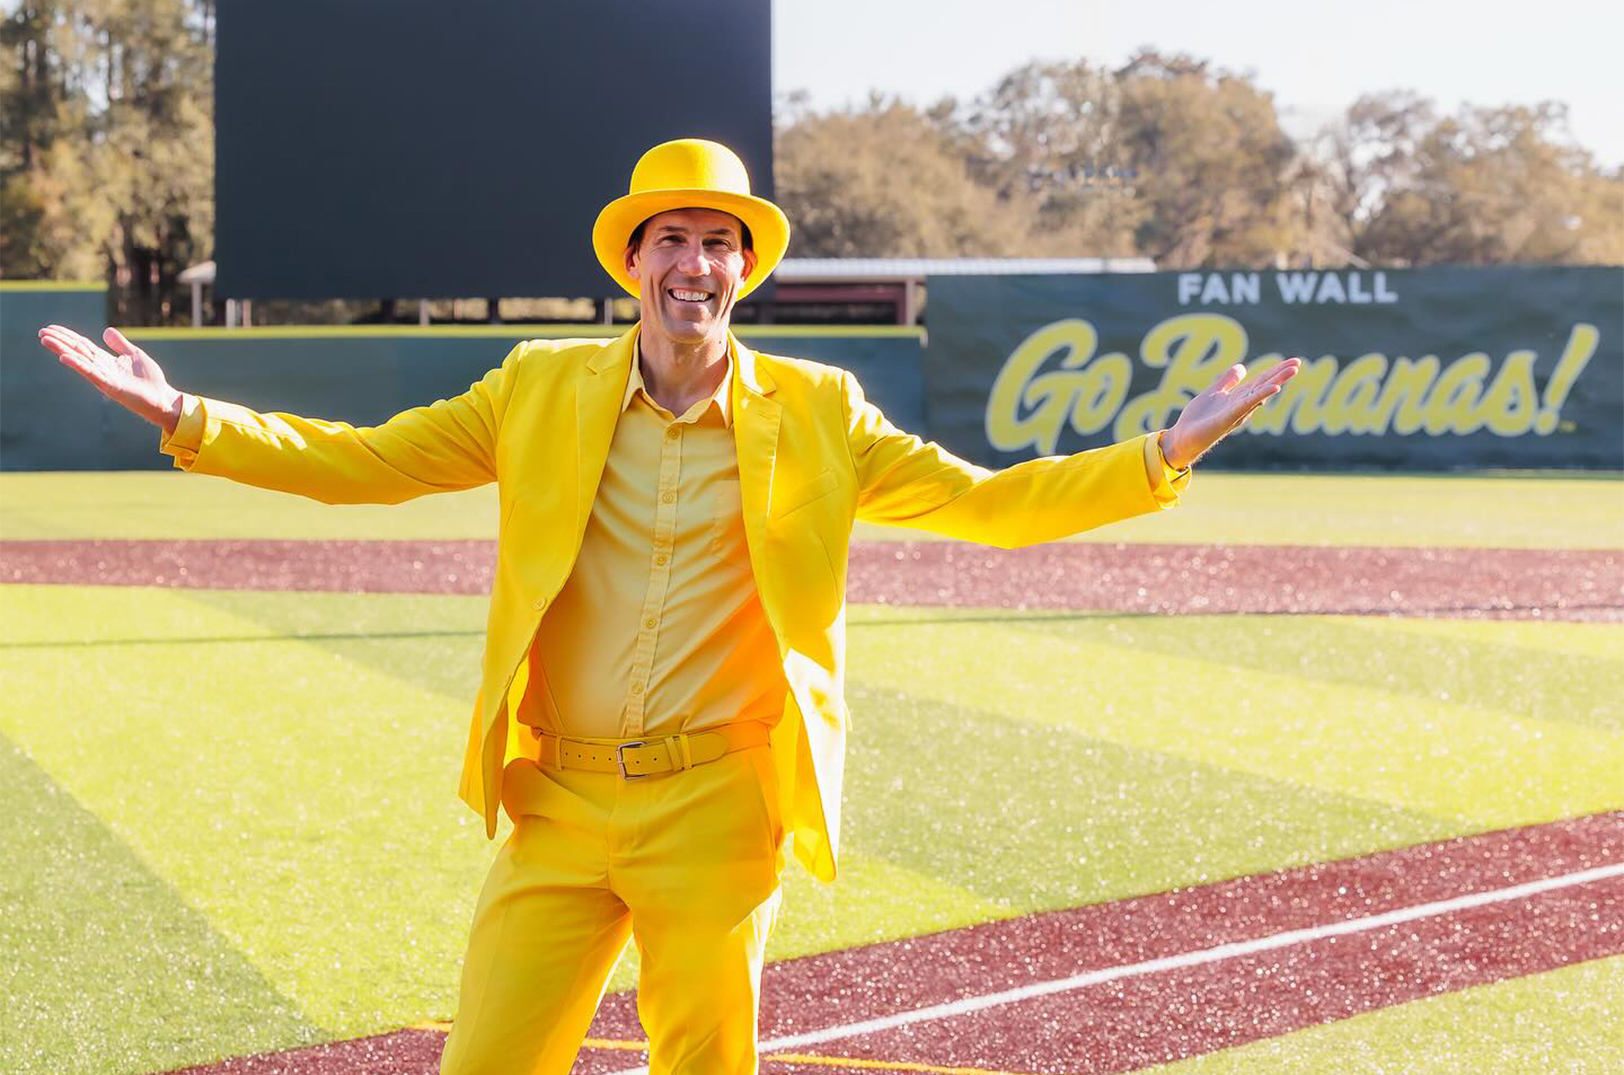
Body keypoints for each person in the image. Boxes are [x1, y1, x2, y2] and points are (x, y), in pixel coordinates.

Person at [37, 138, 1300, 1075]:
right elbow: (364, 461)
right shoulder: (535, 388)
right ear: (633, 262)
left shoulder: (819, 414)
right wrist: (185, 418)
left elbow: (992, 504)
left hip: (717, 802)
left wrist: (1159, 455)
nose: (694, 264)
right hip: (557, 799)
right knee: (485, 1060)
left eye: (718, 243)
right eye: (672, 240)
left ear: (741, 272)